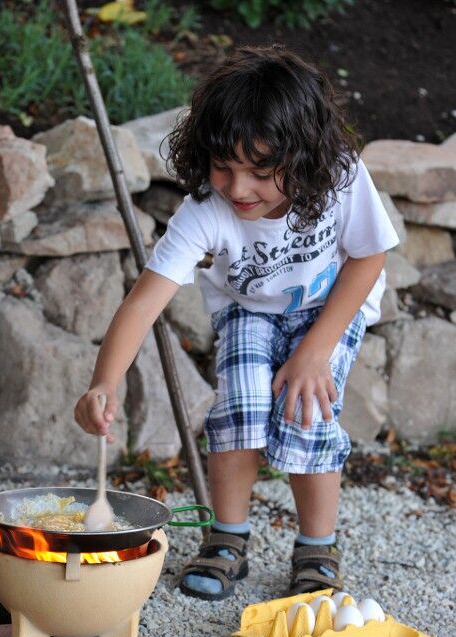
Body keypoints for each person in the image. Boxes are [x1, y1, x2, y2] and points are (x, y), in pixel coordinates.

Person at [74, 45, 398, 601]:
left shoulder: (341, 177)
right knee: (239, 409)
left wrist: (316, 350)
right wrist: (104, 381)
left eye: (260, 172)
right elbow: (143, 302)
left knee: (307, 411)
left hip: (330, 309)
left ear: (304, 159)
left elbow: (369, 258)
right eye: (224, 167)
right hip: (249, 310)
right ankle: (227, 539)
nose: (238, 188)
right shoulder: (205, 209)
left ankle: (317, 547)